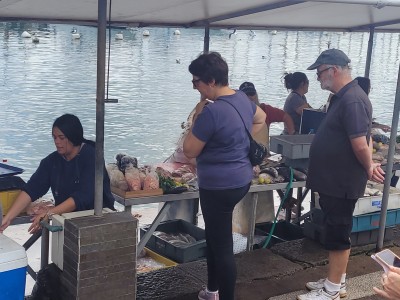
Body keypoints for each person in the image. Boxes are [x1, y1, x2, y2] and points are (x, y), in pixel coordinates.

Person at [298, 49, 385, 300]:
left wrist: (369, 167)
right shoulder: (342, 97)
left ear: (333, 70)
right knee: (334, 229)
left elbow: (360, 142)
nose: (317, 78)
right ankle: (336, 280)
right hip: (332, 180)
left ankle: (332, 290)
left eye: (319, 72)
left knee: (338, 232)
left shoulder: (353, 99)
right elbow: (363, 136)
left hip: (341, 181)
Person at [183, 52, 266, 300]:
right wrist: (237, 139)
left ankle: (223, 295)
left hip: (218, 186)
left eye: (196, 81)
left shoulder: (211, 112)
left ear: (210, 81)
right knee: (215, 238)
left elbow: (189, 151)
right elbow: (261, 117)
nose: (194, 86)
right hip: (240, 180)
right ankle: (211, 290)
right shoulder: (241, 98)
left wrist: (197, 114)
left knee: (222, 248)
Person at [0, 114, 115, 234]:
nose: (57, 142)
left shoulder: (92, 157)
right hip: (66, 220)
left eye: (61, 137)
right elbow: (31, 188)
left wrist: (49, 212)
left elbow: (82, 196)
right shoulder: (52, 161)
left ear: (73, 137)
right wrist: (8, 218)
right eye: (54, 138)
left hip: (98, 219)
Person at [239, 81, 295, 146]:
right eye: (246, 95)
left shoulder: (266, 110)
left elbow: (286, 117)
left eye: (252, 94)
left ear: (256, 95)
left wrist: (291, 137)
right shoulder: (235, 113)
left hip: (262, 151)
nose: (250, 97)